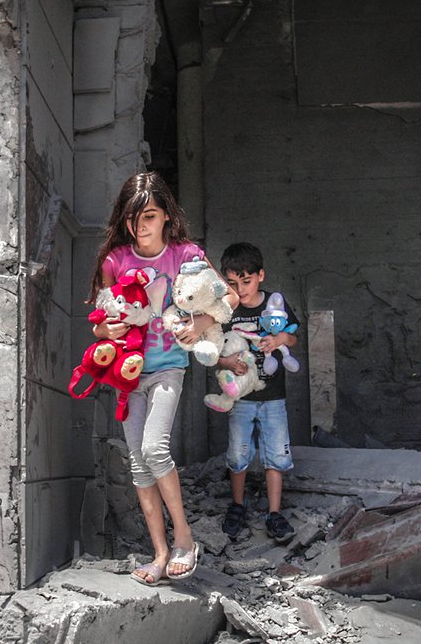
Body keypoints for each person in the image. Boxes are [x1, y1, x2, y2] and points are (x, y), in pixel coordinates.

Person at [87, 172, 227, 585]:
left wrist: (199, 323)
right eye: (133, 218)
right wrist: (104, 332)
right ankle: (161, 554)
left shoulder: (186, 255)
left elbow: (227, 298)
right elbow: (97, 322)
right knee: (138, 465)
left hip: (167, 367)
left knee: (154, 448)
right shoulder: (115, 261)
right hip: (127, 375)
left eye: (149, 215)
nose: (140, 226)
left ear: (166, 216)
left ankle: (184, 538)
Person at [216, 242, 299, 543]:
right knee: (238, 454)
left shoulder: (275, 303)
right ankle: (237, 506)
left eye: (246, 281)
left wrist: (278, 340)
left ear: (260, 275)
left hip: (273, 398)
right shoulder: (226, 310)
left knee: (275, 454)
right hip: (240, 398)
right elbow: (211, 352)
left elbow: (293, 338)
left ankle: (274, 513)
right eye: (233, 284)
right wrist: (228, 361)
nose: (241, 290)